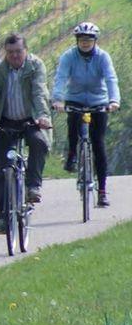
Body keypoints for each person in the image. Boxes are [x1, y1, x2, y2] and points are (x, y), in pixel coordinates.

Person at [0, 33, 51, 234]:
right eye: (10, 52)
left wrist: (42, 116)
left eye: (18, 51)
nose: (14, 56)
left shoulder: (35, 66)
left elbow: (39, 92)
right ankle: (2, 217)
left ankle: (33, 186)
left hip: (31, 119)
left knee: (39, 142)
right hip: (6, 121)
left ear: (26, 51)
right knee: (1, 170)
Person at [53, 21, 120, 207]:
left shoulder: (103, 57)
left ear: (95, 41)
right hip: (75, 99)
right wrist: (57, 100)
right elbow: (60, 78)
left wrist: (114, 101)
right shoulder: (68, 57)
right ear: (77, 40)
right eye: (82, 40)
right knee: (73, 125)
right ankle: (72, 154)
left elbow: (111, 78)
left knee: (98, 143)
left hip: (99, 101)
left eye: (89, 40)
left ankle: (102, 191)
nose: (85, 43)